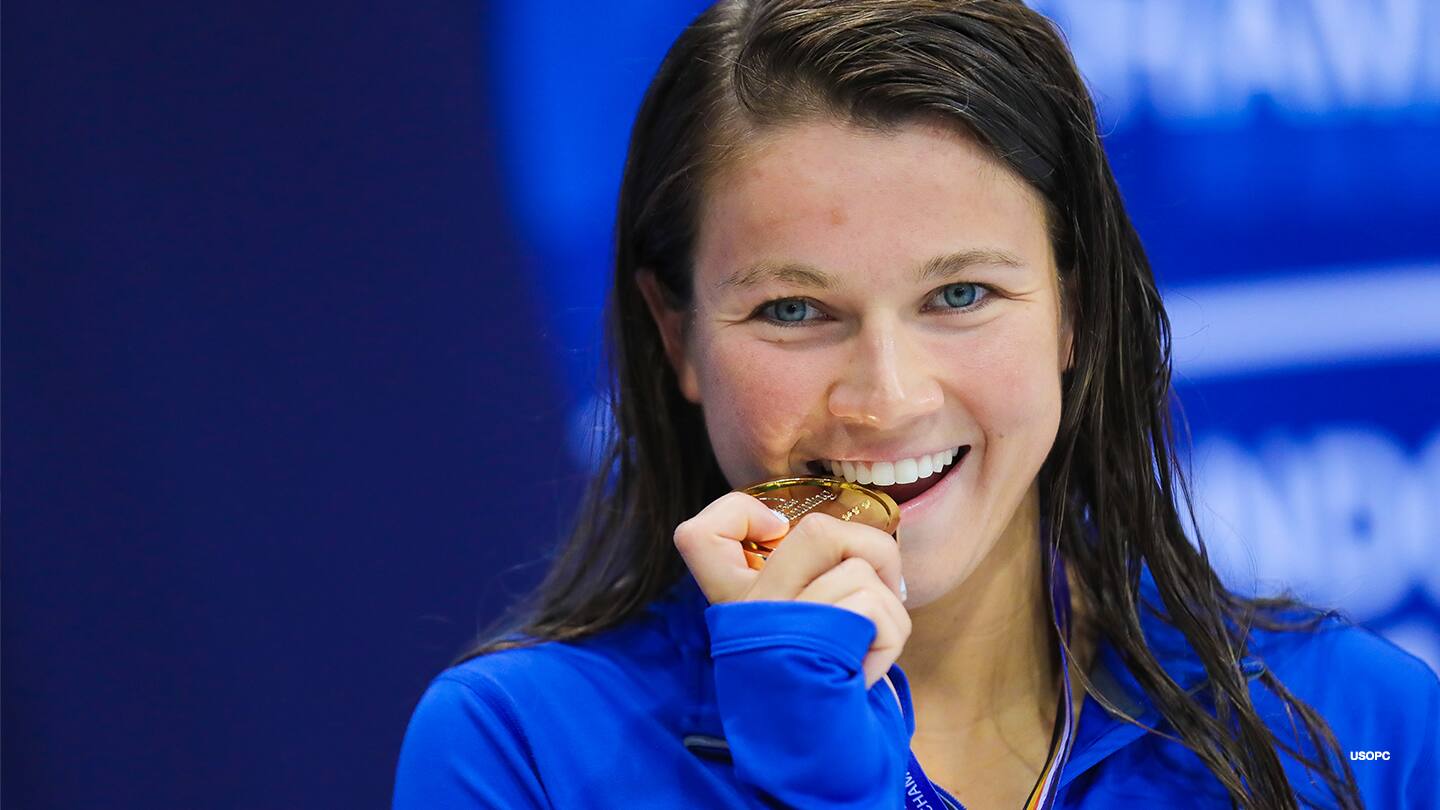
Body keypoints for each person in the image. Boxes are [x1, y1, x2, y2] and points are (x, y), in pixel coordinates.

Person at [392, 1, 1439, 807]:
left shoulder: (1355, 726)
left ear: (1073, 313)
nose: (886, 399)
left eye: (961, 295)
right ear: (678, 336)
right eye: (796, 309)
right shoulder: (521, 752)